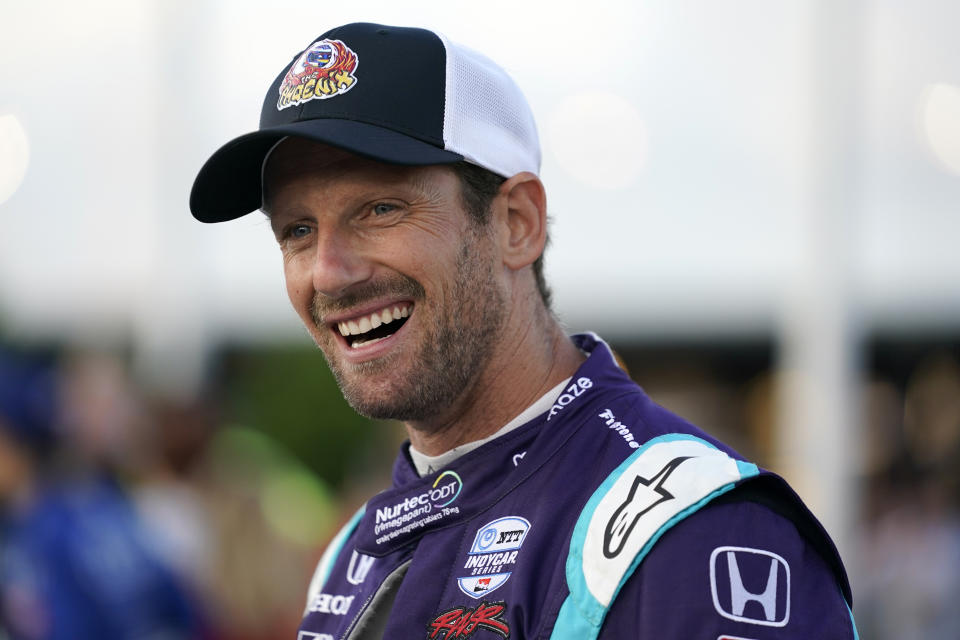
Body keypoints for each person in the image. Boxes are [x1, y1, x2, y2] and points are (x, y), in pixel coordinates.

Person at [190, 22, 858, 639]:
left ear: (516, 223)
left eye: (380, 208)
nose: (329, 273)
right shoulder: (353, 553)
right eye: (297, 231)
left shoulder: (689, 532)